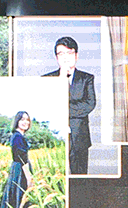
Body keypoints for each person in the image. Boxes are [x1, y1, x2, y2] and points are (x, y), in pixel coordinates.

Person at [43, 36, 95, 174]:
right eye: (61, 53)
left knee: (80, 177)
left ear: (76, 55)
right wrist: (61, 78)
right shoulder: (46, 79)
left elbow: (89, 104)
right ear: (56, 58)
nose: (65, 57)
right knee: (54, 175)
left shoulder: (87, 78)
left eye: (69, 53)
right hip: (55, 136)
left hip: (79, 137)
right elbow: (47, 105)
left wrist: (61, 109)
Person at [0, 111, 33, 208]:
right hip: (20, 170)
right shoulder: (17, 137)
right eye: (22, 119)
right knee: (18, 195)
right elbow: (21, 157)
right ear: (17, 121)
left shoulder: (19, 136)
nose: (25, 122)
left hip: (19, 168)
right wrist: (29, 177)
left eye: (27, 120)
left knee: (16, 195)